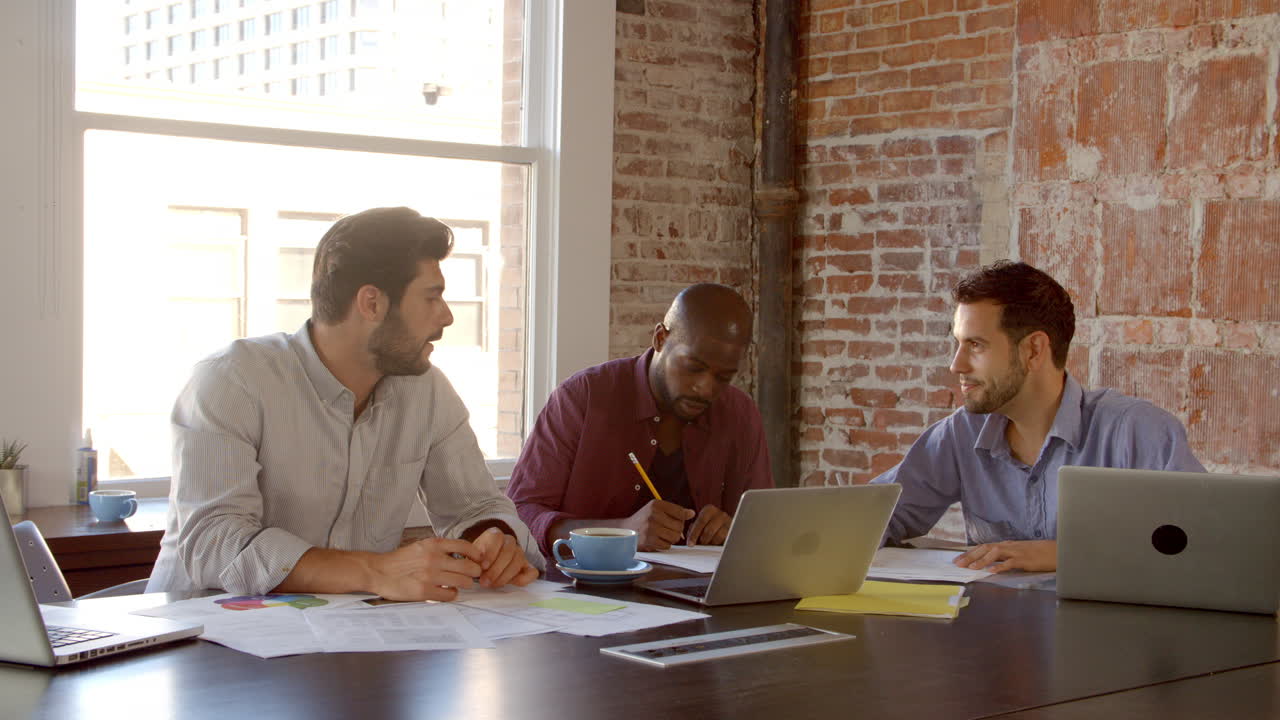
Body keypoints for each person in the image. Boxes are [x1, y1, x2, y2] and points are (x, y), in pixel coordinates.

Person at [148, 207, 542, 600]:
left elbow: (474, 506)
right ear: (371, 303)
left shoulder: (428, 391)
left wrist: (494, 538)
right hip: (201, 639)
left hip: (346, 638)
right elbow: (214, 544)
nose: (448, 316)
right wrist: (375, 570)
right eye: (432, 297)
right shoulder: (232, 380)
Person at [872, 260, 1204, 573]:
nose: (956, 365)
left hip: (1107, 633)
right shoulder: (961, 433)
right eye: (958, 343)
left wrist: (1068, 553)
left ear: (1033, 350)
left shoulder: (1136, 431)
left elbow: (1203, 546)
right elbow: (866, 521)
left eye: (975, 345)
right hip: (992, 631)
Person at [506, 283, 772, 557]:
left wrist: (735, 532)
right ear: (660, 338)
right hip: (586, 592)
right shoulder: (582, 397)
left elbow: (765, 528)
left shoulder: (740, 414)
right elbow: (521, 513)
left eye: (724, 377)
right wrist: (620, 532)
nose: (705, 388)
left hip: (700, 593)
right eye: (693, 367)